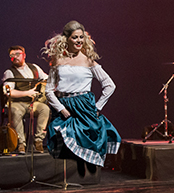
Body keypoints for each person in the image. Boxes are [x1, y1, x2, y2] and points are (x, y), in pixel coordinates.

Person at [42, 20, 121, 175]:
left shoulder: (88, 61)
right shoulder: (58, 61)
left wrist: (98, 106)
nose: (78, 41)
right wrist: (61, 108)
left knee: (89, 137)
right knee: (62, 137)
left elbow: (110, 85)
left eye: (81, 37)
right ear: (67, 39)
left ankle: (87, 170)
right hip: (64, 105)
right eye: (74, 37)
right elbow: (49, 90)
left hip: (84, 105)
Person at [1, 45, 50, 154]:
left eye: (17, 54)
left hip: (33, 103)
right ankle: (21, 143)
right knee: (15, 111)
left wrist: (41, 88)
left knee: (44, 109)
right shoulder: (9, 72)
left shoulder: (34, 68)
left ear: (24, 55)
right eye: (12, 55)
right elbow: (8, 92)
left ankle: (38, 141)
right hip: (17, 103)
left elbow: (46, 78)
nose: (15, 57)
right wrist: (27, 93)